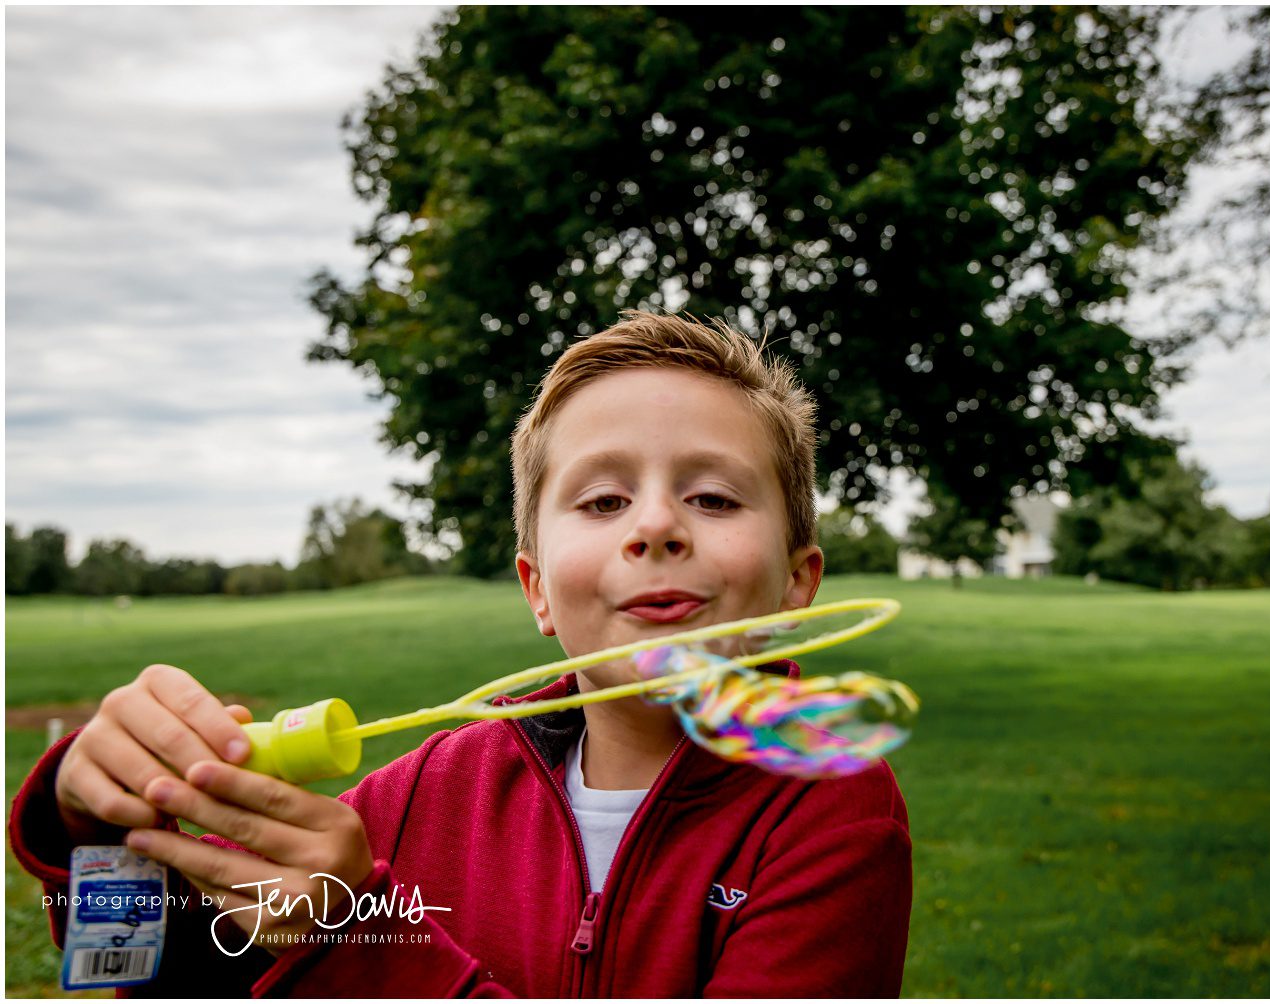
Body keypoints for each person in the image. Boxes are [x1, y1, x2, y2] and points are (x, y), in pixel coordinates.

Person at [9, 311, 913, 996]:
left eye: (714, 497)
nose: (657, 525)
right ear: (538, 590)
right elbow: (168, 979)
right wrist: (95, 822)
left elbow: (338, 951)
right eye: (601, 502)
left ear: (799, 582)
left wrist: (357, 942)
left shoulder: (829, 814)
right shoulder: (426, 794)